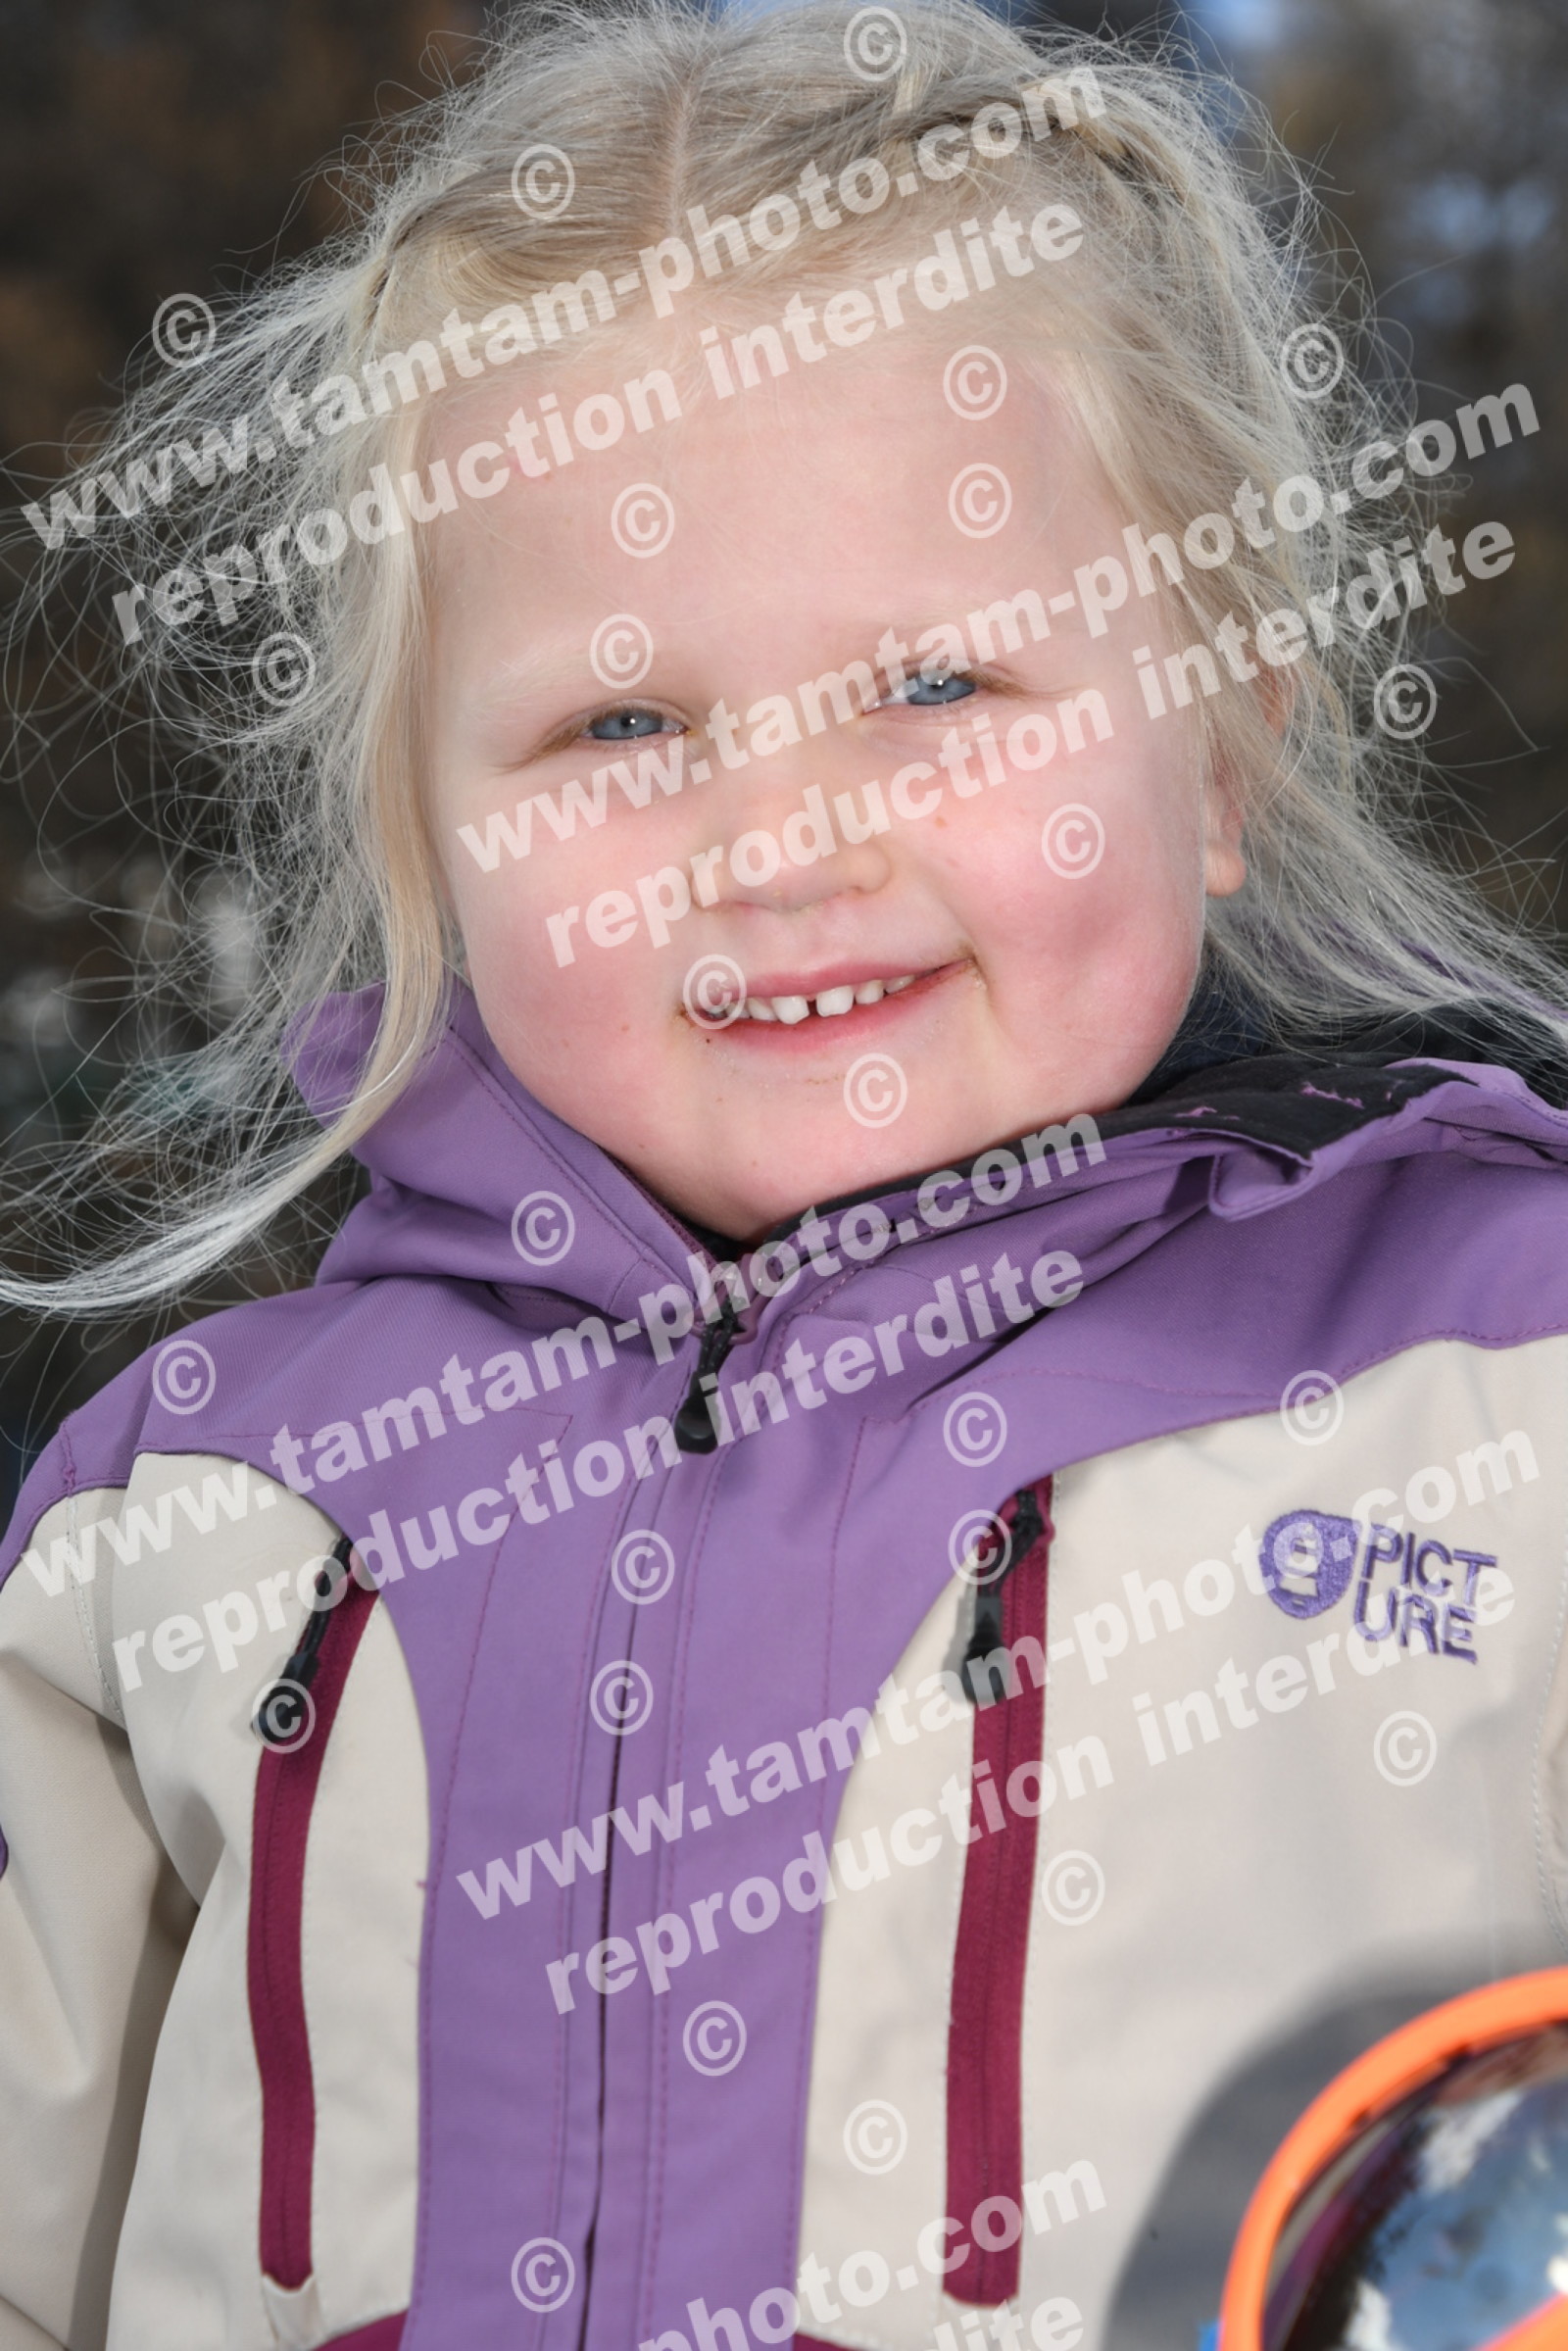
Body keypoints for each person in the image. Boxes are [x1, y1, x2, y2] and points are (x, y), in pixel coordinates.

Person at [1, 2, 1563, 2346]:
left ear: (1220, 751)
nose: (778, 841)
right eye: (622, 724)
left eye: (938, 689)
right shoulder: (192, 1513)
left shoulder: (1501, 1389)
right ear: (422, 834)